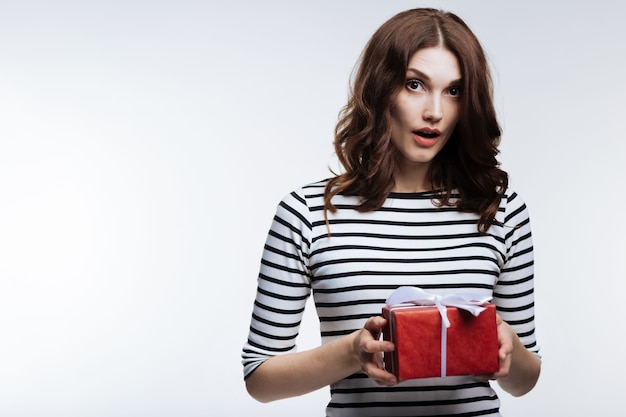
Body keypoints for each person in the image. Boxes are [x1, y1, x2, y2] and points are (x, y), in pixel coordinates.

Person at [241, 7, 541, 417]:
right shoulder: (307, 213)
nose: (434, 110)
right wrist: (351, 351)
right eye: (415, 84)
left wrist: (506, 344)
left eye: (453, 91)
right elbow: (259, 378)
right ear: (380, 89)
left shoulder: (502, 210)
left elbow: (525, 380)